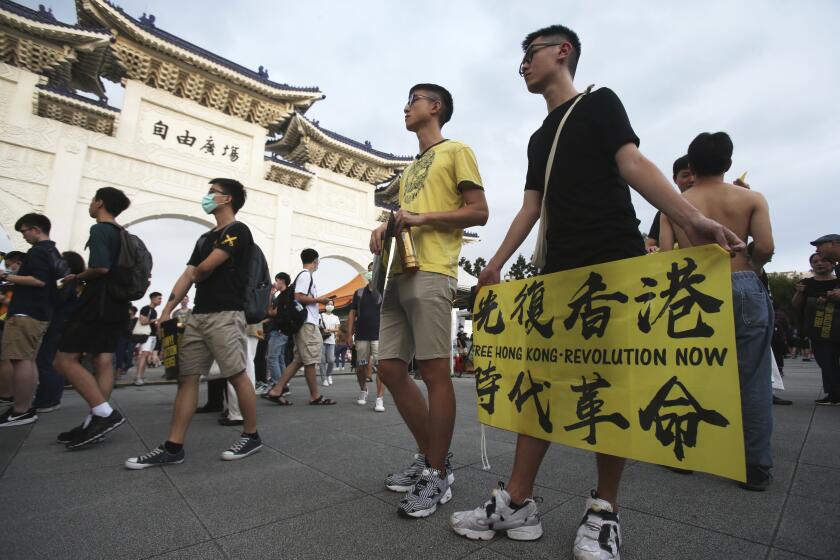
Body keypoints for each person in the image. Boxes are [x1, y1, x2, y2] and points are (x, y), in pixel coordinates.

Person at [449, 27, 742, 559]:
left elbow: (631, 164)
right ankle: (517, 500)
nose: (523, 65)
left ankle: (604, 511)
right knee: (538, 382)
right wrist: (494, 264)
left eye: (530, 54)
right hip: (556, 274)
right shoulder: (541, 137)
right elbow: (531, 207)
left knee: (612, 388)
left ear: (563, 52)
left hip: (612, 263)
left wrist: (691, 217)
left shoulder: (600, 102)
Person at [370, 82, 489, 518]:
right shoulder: (410, 170)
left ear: (435, 107)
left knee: (436, 371)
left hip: (434, 270)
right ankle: (432, 458)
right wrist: (387, 227)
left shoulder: (456, 150)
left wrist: (421, 218)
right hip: (397, 272)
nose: (405, 106)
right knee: (390, 368)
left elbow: (479, 211)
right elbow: (406, 215)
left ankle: (437, 474)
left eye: (414, 99)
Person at [660, 131, 774, 491]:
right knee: (752, 378)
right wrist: (750, 265)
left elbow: (666, 256)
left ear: (690, 166)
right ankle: (755, 466)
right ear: (728, 164)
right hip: (742, 283)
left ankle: (685, 453)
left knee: (690, 373)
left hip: (692, 289)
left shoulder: (674, 207)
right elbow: (767, 248)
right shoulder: (752, 198)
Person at [125, 178, 262, 468]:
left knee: (236, 374)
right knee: (187, 378)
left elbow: (204, 269)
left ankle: (251, 435)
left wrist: (198, 272)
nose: (207, 196)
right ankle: (173, 446)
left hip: (227, 314)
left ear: (227, 199)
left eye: (213, 192)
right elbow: (189, 274)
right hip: (198, 315)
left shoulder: (238, 230)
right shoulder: (204, 238)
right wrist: (167, 311)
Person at [53, 187, 132, 448]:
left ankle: (104, 413)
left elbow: (101, 267)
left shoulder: (100, 230)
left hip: (96, 303)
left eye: (92, 200)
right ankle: (95, 418)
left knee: (65, 359)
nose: (91, 204)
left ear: (100, 203)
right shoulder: (123, 233)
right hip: (117, 304)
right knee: (103, 359)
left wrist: (78, 276)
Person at [0, 214, 62, 427]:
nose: (23, 236)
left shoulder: (37, 251)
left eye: (24, 231)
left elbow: (38, 280)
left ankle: (21, 410)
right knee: (28, 359)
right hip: (42, 312)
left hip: (26, 312)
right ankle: (25, 405)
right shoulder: (53, 251)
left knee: (19, 359)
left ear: (35, 229)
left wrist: (5, 276)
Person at [264, 249, 336, 405]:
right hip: (307, 323)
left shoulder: (302, 275)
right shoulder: (305, 275)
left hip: (302, 323)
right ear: (315, 260)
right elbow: (299, 297)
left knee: (299, 360)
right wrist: (320, 300)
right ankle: (315, 396)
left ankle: (276, 390)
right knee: (309, 359)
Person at [32, 251, 86, 413]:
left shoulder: (67, 283)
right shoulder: (75, 283)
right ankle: (49, 397)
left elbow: (58, 301)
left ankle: (48, 400)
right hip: (64, 326)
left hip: (58, 325)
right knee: (52, 362)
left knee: (46, 361)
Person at [793, 252, 840, 404]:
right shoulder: (806, 282)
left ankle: (835, 393)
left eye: (824, 260)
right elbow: (796, 305)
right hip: (818, 327)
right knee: (825, 360)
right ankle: (833, 394)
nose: (819, 263)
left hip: (837, 325)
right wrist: (800, 292)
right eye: (815, 261)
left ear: (833, 264)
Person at [348, 263, 384, 411]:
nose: (371, 274)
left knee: (381, 367)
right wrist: (349, 334)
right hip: (361, 335)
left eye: (374, 271)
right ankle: (363, 390)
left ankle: (379, 398)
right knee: (360, 367)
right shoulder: (359, 293)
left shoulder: (383, 292)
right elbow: (352, 313)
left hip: (379, 335)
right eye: (369, 271)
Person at [646, 155, 694, 251]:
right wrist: (651, 248)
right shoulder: (665, 211)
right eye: (685, 175)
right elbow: (649, 244)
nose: (692, 179)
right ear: (675, 179)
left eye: (696, 174)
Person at [0, 250, 25, 405]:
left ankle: (7, 393)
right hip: (7, 322)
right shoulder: (12, 282)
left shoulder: (22, 282)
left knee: (6, 359)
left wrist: (3, 299)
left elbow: (19, 304)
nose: (8, 268)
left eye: (10, 265)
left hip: (11, 323)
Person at [264, 272, 290, 393]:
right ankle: (284, 385)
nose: (275, 283)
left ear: (282, 280)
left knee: (272, 358)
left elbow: (271, 313)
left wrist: (270, 296)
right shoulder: (286, 295)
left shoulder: (283, 296)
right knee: (280, 358)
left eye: (277, 280)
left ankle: (277, 385)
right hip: (283, 331)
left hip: (278, 330)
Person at [133, 291, 162, 386]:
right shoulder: (146, 309)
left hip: (152, 336)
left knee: (145, 357)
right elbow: (142, 321)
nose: (160, 300)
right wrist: (155, 320)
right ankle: (138, 377)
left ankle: (140, 376)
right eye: (159, 298)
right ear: (153, 299)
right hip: (147, 336)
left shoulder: (154, 311)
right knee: (144, 356)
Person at [319, 299, 340, 386]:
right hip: (321, 340)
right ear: (325, 305)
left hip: (331, 341)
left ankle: (329, 375)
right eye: (328, 304)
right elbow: (317, 326)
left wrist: (329, 330)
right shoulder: (321, 315)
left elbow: (337, 329)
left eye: (331, 304)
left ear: (333, 306)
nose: (330, 306)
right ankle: (324, 379)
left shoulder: (336, 317)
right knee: (322, 361)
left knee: (331, 360)